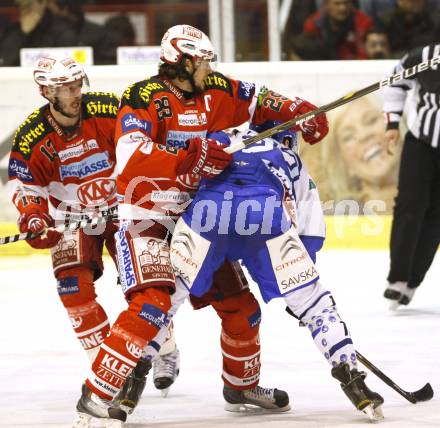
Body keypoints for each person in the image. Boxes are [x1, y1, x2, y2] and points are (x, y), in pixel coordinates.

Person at [74, 24, 329, 426]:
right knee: (153, 304)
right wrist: (187, 159)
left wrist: (299, 111)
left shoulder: (217, 90)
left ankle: (240, 386)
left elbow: (260, 100)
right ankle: (97, 393)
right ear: (184, 61)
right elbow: (129, 158)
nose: (209, 69)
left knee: (243, 310)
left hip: (198, 222)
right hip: (149, 221)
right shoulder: (143, 98)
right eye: (204, 62)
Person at [165, 124, 384, 421]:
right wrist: (300, 294)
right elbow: (311, 233)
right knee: (314, 302)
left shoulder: (217, 137)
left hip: (207, 213)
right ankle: (352, 378)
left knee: (163, 299)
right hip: (264, 214)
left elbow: (181, 183)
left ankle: (128, 378)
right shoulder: (289, 156)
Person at [7, 55, 180, 399]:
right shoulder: (32, 136)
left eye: (76, 85)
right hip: (73, 218)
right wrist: (33, 214)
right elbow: (24, 186)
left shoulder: (105, 109)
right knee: (73, 289)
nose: (75, 93)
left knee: (147, 286)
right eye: (65, 89)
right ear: (45, 91)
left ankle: (166, 350)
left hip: (124, 208)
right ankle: (110, 370)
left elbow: (139, 142)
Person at [382, 43, 440, 307]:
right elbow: (396, 80)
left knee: (436, 215)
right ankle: (397, 279)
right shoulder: (426, 57)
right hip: (421, 141)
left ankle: (413, 281)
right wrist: (392, 122)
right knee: (409, 207)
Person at [314, 95, 401, 213]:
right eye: (348, 137)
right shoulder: (333, 223)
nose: (364, 135)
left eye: (372, 120)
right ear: (345, 165)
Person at [0, 0, 77, 66]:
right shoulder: (13, 30)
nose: (24, 9)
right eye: (20, 5)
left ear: (42, 3)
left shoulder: (62, 30)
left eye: (28, 5)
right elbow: (4, 62)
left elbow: (67, 65)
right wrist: (23, 33)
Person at [289, 0, 374, 60]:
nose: (342, 8)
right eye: (337, 3)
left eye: (346, 3)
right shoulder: (313, 24)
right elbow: (305, 51)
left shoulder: (364, 23)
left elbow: (366, 56)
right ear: (326, 5)